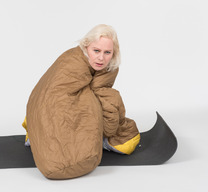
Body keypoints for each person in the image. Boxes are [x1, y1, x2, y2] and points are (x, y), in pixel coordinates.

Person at [22, 24, 140, 179]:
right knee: (105, 107)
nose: (101, 58)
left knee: (96, 101)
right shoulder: (73, 60)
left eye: (107, 52)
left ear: (113, 53)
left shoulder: (96, 66)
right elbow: (55, 92)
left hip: (35, 114)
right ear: (86, 47)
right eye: (96, 50)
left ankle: (36, 135)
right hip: (46, 106)